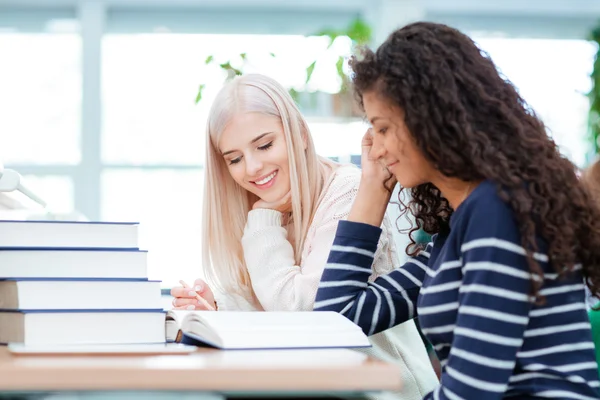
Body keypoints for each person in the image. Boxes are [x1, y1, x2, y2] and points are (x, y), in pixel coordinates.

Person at [315, 22, 600, 399]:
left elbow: (472, 392)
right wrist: (372, 189)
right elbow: (336, 322)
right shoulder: (456, 232)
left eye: (382, 129)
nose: (376, 149)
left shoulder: (498, 212)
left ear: (428, 117)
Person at [170, 73, 439, 398]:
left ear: (300, 135)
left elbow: (307, 317)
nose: (252, 167)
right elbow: (272, 314)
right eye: (235, 159)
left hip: (388, 392)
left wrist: (262, 220)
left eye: (265, 145)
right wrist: (218, 306)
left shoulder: (347, 192)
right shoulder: (265, 203)